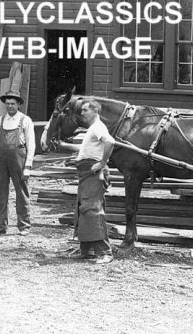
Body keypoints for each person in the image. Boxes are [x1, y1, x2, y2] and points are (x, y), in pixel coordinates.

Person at [72, 99, 115, 264]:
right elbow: (88, 150)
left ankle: (105, 253)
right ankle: (87, 250)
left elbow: (110, 142)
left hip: (93, 173)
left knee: (92, 210)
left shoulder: (98, 126)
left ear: (95, 110)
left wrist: (103, 163)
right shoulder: (92, 128)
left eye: (84, 110)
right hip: (85, 173)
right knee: (83, 209)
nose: (82, 113)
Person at [0, 90, 35, 235]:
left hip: (18, 160)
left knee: (21, 193)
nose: (9, 106)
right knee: (0, 193)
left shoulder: (25, 120)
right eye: (7, 104)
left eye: (12, 104)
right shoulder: (1, 120)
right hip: (1, 161)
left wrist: (27, 166)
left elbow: (31, 145)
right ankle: (1, 226)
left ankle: (24, 226)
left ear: (18, 105)